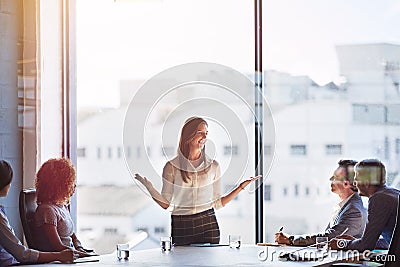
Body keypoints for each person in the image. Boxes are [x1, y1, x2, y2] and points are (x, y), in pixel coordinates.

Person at [135, 117, 261, 245]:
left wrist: (240, 187)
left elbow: (217, 203)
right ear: (188, 135)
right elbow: (166, 204)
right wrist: (149, 187)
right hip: (181, 224)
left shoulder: (214, 166)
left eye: (206, 133)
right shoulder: (171, 167)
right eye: (200, 132)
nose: (204, 137)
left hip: (208, 223)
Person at [275, 159, 367, 246]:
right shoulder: (346, 205)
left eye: (336, 177)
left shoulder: (354, 210)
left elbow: (330, 237)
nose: (331, 179)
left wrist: (291, 239)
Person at [0, 160, 74, 266]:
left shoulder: (61, 207)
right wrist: (59, 256)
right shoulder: (47, 211)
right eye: (9, 180)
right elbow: (22, 254)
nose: (11, 185)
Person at [331, 159, 400, 251]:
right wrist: (356, 241)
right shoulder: (392, 193)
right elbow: (390, 242)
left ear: (366, 182)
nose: (354, 184)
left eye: (356, 179)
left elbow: (366, 246)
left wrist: (341, 244)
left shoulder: (378, 199)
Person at [33, 158, 93, 257]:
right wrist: (82, 255)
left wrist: (79, 248)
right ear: (60, 185)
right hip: (59, 261)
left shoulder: (61, 206)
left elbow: (72, 234)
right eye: (71, 182)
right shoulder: (47, 211)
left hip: (72, 256)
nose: (74, 186)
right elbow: (57, 247)